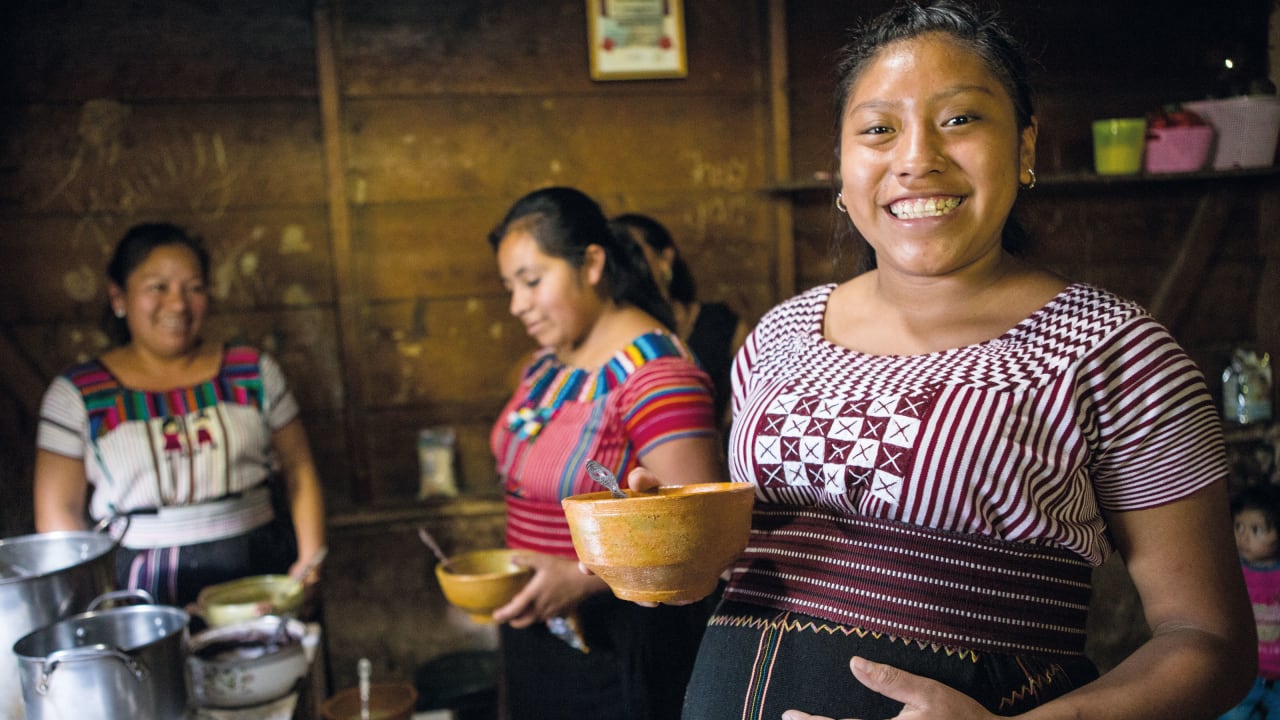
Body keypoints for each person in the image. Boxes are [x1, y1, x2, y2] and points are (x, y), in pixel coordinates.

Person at [624, 2, 1254, 719]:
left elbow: (1210, 643)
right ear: (841, 165)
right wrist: (671, 547)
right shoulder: (780, 336)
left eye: (960, 120)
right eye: (878, 129)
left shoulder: (1114, 350)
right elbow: (747, 562)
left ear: (1024, 146)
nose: (916, 158)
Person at [486, 187, 725, 720]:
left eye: (531, 281)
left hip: (617, 651)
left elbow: (693, 537)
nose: (516, 304)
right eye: (510, 286)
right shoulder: (547, 363)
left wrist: (575, 577)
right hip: (540, 635)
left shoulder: (657, 376)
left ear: (591, 263)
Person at [34, 222, 327, 612]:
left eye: (194, 288)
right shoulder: (78, 394)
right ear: (118, 297)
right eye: (158, 287)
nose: (178, 304)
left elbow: (299, 469)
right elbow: (59, 513)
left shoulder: (251, 372)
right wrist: (99, 603)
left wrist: (307, 565)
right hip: (141, 594)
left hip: (260, 578)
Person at [610, 213, 749, 435]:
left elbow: (745, 405)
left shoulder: (722, 324)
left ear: (665, 258)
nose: (626, 266)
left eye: (632, 252)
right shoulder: (617, 339)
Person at [1220, 483, 1280, 720]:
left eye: (1257, 530)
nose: (1243, 537)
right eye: (1238, 526)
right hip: (1244, 675)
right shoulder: (1231, 570)